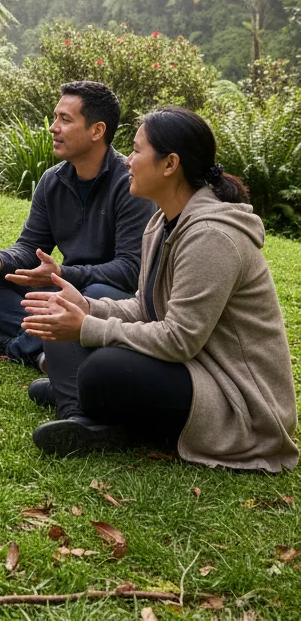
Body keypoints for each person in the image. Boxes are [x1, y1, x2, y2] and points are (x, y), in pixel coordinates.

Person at [22, 107, 298, 470]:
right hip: (192, 367)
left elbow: (179, 338)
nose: (127, 162)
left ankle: (84, 401)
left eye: (136, 151)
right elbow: (144, 306)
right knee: (59, 321)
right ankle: (82, 411)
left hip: (238, 400)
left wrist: (88, 327)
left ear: (170, 164)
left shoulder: (212, 237)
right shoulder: (161, 223)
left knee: (102, 369)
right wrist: (86, 307)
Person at [0, 81, 154, 369]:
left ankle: (17, 347)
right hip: (64, 286)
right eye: (56, 117)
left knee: (94, 295)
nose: (53, 127)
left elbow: (130, 269)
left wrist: (63, 273)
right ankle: (44, 349)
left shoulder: (130, 184)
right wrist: (0, 259)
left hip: (107, 296)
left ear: (97, 131)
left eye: (65, 119)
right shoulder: (53, 180)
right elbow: (29, 247)